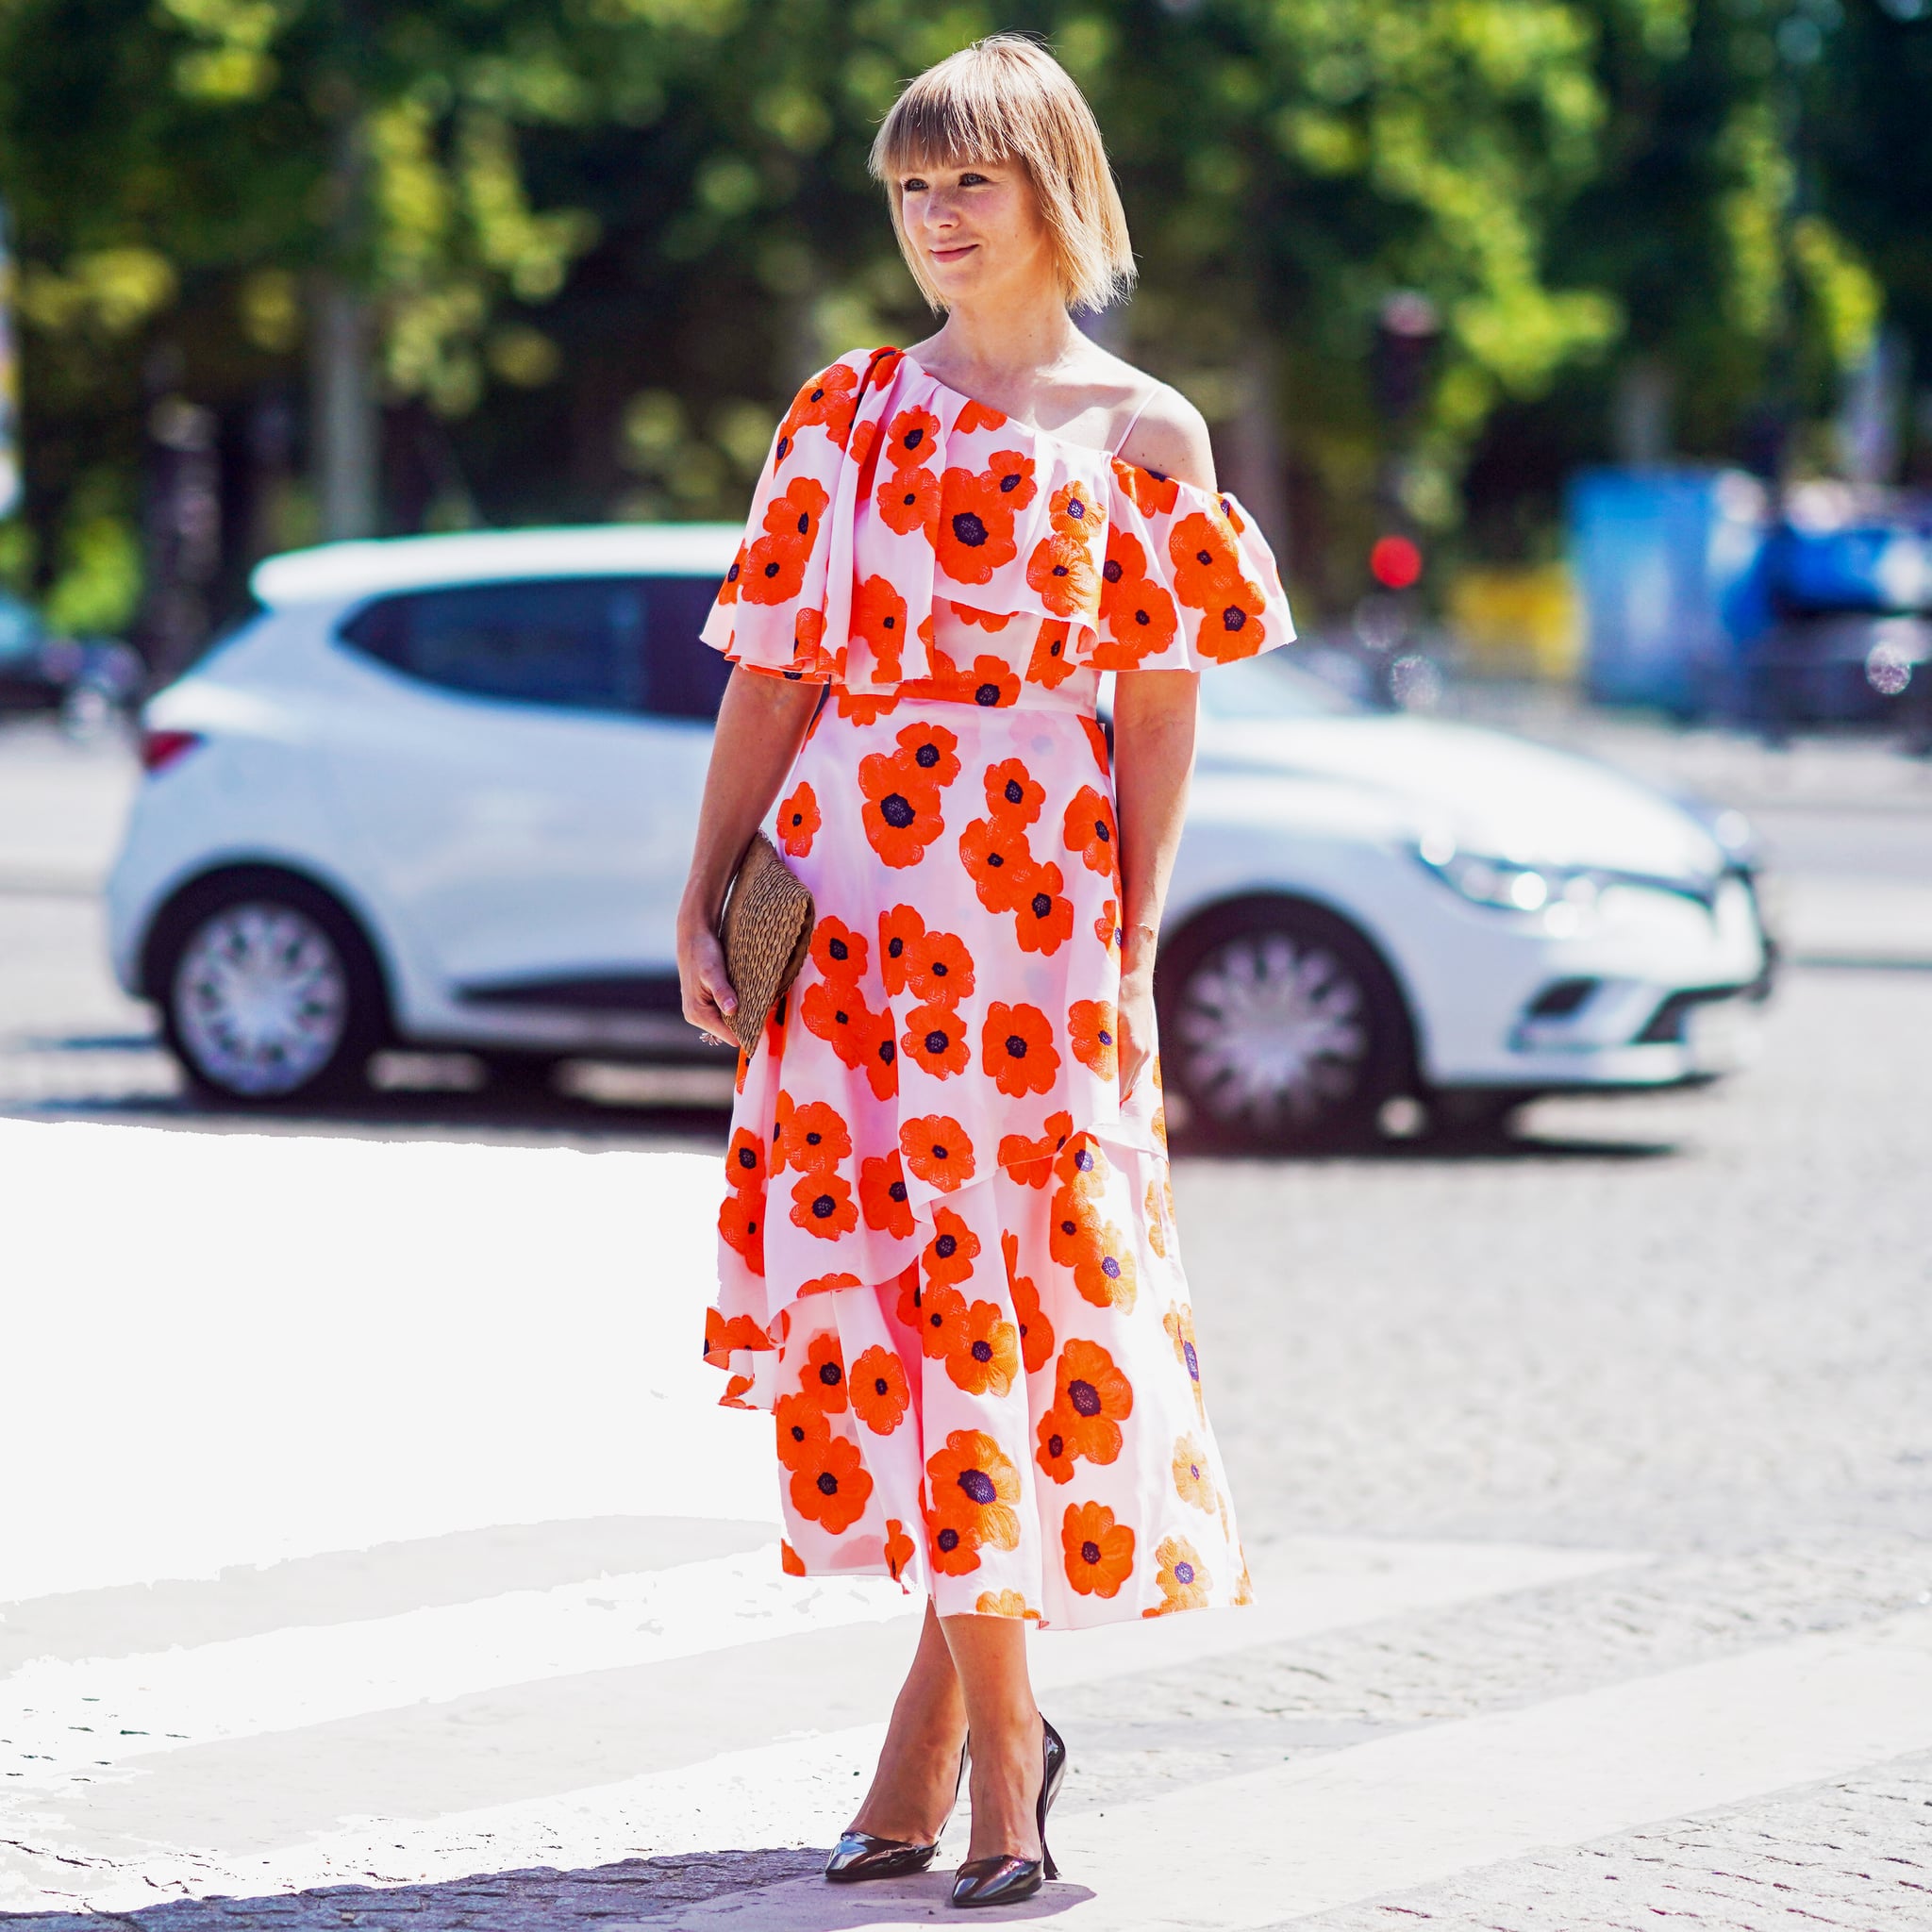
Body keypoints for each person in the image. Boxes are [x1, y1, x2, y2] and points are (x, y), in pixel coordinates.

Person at [676, 33, 1292, 1909]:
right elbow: (772, 677)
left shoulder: (1144, 434)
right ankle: (962, 1753)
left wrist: (1133, 926)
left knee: (1004, 1321)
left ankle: (967, 1758)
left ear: (1049, 190)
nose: (938, 219)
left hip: (1031, 932)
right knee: (915, 1318)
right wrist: (703, 896)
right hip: (853, 919)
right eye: (911, 187)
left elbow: (1158, 720)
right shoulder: (844, 414)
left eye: (971, 182)